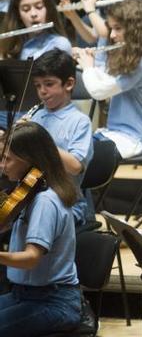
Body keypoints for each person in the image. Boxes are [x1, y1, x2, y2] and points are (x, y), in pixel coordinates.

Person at [0, 121, 82, 336]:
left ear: (29, 160)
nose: (2, 165)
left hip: (54, 302)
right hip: (24, 295)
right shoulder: (27, 193)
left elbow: (31, 258)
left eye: (7, 159)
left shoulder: (46, 201)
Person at [73, 0, 142, 159]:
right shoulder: (132, 59)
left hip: (133, 139)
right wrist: (86, 60)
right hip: (115, 134)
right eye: (111, 28)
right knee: (70, 144)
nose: (112, 35)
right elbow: (104, 79)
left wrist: (88, 67)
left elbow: (99, 91)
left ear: (135, 30)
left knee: (78, 153)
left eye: (118, 29)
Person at [28, 49, 94, 227]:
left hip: (66, 203)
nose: (42, 91)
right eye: (38, 85)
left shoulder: (79, 121)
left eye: (49, 84)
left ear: (69, 84)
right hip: (33, 197)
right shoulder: (36, 116)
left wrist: (38, 138)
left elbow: (74, 166)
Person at [0, 0, 71, 60]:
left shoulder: (60, 45)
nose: (33, 14)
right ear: (18, 14)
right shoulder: (10, 46)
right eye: (26, 9)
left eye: (39, 7)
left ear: (48, 9)